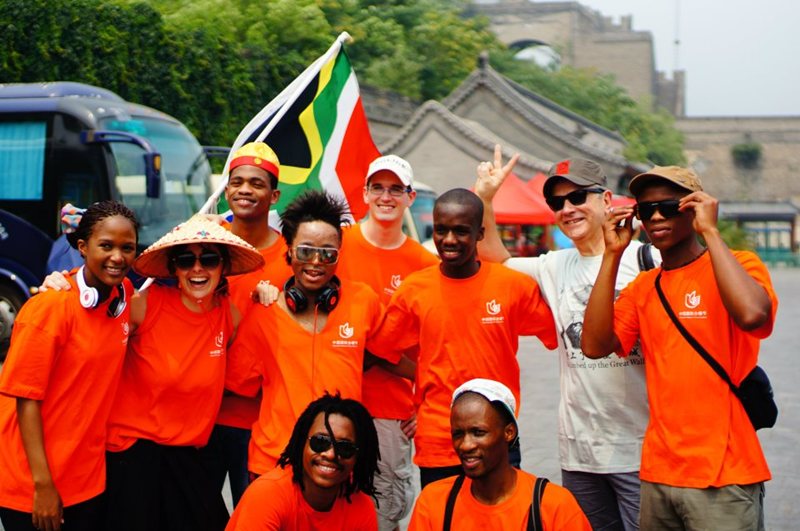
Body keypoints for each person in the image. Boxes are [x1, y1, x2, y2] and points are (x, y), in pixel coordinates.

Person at [581, 166, 777, 530]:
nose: (656, 216)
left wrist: (711, 233)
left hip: (726, 473)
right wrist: (611, 254)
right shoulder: (643, 287)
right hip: (659, 473)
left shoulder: (741, 266)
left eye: (669, 207)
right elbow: (593, 346)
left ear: (695, 208)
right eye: (645, 210)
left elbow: (752, 315)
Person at [475, 146, 654, 530]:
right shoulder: (555, 265)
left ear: (606, 199)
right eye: (557, 202)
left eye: (577, 197)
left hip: (642, 450)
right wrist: (486, 199)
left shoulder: (646, 261)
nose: (567, 208)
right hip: (580, 452)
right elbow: (495, 260)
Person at [369, 188, 557, 489]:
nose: (449, 240)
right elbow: (380, 351)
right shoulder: (414, 290)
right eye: (441, 230)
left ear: (480, 233)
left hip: (498, 437)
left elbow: (558, 333)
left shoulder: (513, 286)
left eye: (461, 231)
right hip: (438, 441)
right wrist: (423, 379)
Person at [225, 190, 403, 477]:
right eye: (306, 251)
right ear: (289, 252)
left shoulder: (363, 301)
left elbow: (390, 357)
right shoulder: (264, 311)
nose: (317, 262)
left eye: (328, 254)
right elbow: (237, 382)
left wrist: (423, 402)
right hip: (274, 462)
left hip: (340, 462)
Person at [102, 215, 263, 531]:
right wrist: (63, 283)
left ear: (223, 266)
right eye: (187, 259)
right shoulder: (147, 304)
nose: (198, 269)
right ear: (174, 268)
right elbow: (94, 318)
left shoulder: (227, 314)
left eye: (210, 259)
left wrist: (269, 296)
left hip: (189, 457)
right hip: (136, 453)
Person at [0, 200, 138, 531]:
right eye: (106, 245)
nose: (117, 257)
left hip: (87, 482)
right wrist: (43, 486)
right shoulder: (49, 308)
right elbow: (26, 400)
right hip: (32, 484)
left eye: (127, 247)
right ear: (81, 246)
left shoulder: (123, 296)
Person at [336, 154, 439, 531]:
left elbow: (436, 345)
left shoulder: (424, 264)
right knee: (330, 507)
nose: (386, 196)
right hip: (335, 399)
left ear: (410, 197)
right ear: (363, 193)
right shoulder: (337, 246)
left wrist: (425, 398)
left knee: (384, 514)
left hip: (392, 411)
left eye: (396, 189)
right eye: (378, 187)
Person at [203, 141, 293, 507]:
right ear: (226, 192)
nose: (244, 190)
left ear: (274, 196)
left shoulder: (292, 258)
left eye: (256, 184)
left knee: (254, 514)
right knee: (195, 515)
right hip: (200, 413)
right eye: (237, 182)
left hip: (258, 420)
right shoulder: (203, 243)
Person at [408, 378, 591, 531]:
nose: (466, 445)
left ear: (509, 432)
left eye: (478, 432)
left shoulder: (554, 506)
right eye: (458, 434)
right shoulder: (433, 503)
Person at [226, 393, 380, 530]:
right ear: (302, 444)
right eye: (320, 442)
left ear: (358, 457)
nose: (330, 454)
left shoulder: (361, 507)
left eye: (345, 448)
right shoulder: (268, 495)